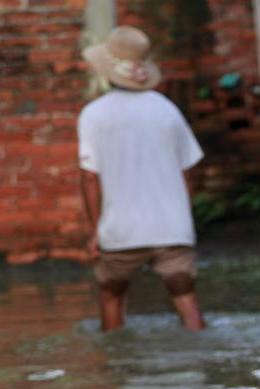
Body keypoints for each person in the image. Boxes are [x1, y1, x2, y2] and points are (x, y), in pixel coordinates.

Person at [78, 26, 205, 332]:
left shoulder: (93, 115)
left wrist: (95, 231)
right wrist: (182, 219)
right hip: (172, 229)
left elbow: (90, 178)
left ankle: (114, 366)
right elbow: (187, 173)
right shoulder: (168, 111)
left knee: (111, 294)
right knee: (185, 295)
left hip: (120, 230)